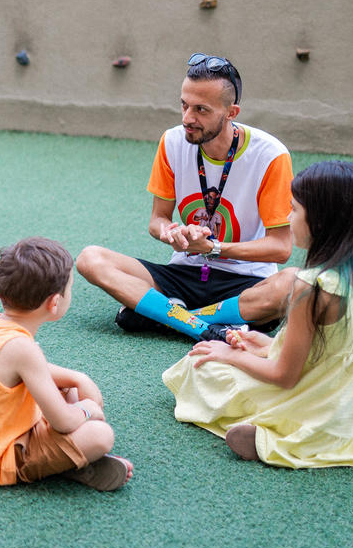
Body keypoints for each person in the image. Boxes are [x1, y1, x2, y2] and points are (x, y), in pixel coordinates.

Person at [162, 161, 353, 468]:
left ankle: (273, 436)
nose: (288, 218)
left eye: (295, 210)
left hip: (312, 411)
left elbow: (284, 377)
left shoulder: (312, 287)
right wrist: (265, 345)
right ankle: (278, 432)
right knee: (225, 356)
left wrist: (230, 355)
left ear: (321, 221)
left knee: (200, 366)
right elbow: (330, 354)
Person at [76, 53, 294, 341]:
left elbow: (280, 247)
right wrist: (173, 233)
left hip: (246, 281)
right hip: (183, 273)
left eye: (201, 109)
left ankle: (168, 316)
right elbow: (158, 220)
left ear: (231, 112)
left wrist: (213, 248)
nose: (187, 118)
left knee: (291, 284)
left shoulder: (271, 155)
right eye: (184, 105)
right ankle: (208, 327)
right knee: (90, 259)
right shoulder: (172, 141)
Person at [0, 238, 133, 491]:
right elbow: (63, 422)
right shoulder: (22, 348)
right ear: (54, 303)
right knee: (101, 435)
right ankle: (68, 465)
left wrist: (79, 378)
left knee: (68, 388)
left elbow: (33, 372)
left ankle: (67, 458)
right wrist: (87, 410)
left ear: (2, 293)